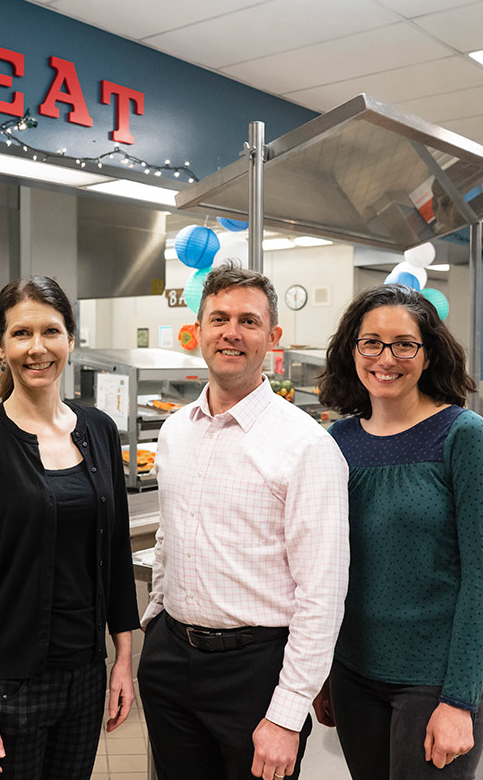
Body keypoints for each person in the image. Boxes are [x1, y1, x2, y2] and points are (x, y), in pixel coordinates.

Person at [137, 263, 350, 780]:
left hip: (255, 672)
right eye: (219, 319)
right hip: (171, 659)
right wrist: (156, 620)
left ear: (272, 338)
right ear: (199, 331)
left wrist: (287, 712)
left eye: (249, 322)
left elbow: (322, 593)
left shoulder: (307, 446)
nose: (231, 332)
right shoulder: (174, 431)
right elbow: (170, 536)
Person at [0, 276, 140, 779]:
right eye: (21, 334)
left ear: (70, 339)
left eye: (50, 332)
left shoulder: (98, 430)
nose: (37, 348)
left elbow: (114, 552)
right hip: (4, 687)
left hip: (86, 676)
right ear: (2, 348)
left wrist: (122, 659)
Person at [313, 283, 483, 780]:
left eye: (404, 344)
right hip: (354, 672)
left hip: (434, 677)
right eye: (371, 342)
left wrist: (460, 699)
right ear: (352, 350)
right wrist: (322, 671)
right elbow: (326, 568)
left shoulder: (462, 435)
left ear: (427, 353)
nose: (386, 358)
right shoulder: (339, 441)